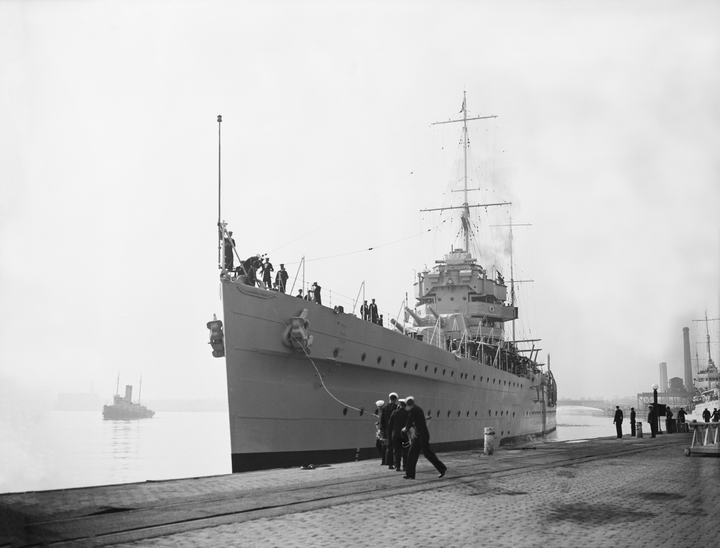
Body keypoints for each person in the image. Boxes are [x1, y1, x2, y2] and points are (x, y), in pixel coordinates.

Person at [402, 396, 446, 479]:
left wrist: (406, 428)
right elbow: (418, 421)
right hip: (420, 434)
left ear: (407, 404)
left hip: (421, 434)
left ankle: (442, 468)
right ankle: (410, 474)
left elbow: (410, 420)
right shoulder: (418, 408)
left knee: (425, 453)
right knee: (414, 453)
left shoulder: (412, 410)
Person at [387, 398, 409, 472]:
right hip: (404, 435)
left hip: (395, 435)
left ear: (399, 405)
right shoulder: (408, 413)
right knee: (405, 451)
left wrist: (389, 434)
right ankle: (405, 466)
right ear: (405, 405)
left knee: (397, 451)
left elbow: (390, 425)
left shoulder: (394, 412)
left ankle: (397, 466)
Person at [380, 393, 399, 469]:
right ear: (395, 400)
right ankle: (397, 464)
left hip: (388, 430)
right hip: (396, 429)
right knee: (397, 447)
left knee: (389, 446)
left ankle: (390, 464)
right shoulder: (397, 407)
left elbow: (382, 420)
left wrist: (385, 429)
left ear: (389, 399)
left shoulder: (384, 408)